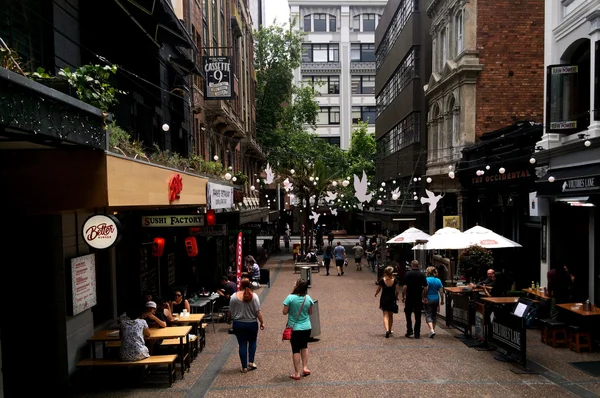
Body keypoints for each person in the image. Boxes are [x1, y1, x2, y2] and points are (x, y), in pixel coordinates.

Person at [230, 277, 265, 373]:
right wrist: (262, 322)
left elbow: (231, 312)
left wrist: (230, 319)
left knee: (242, 344)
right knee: (253, 342)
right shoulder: (254, 296)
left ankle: (244, 367)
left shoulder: (233, 297)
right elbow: (258, 312)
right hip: (252, 323)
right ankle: (251, 361)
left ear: (240, 285)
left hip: (238, 324)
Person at [283, 278, 314, 380]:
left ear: (297, 286)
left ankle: (297, 373)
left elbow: (284, 312)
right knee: (304, 346)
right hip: (306, 327)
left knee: (295, 349)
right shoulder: (308, 298)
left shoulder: (290, 298)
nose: (294, 283)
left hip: (294, 328)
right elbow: (310, 312)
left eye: (295, 283)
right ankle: (305, 367)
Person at [402, 260, 428, 339]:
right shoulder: (422, 275)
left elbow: (405, 287)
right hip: (418, 297)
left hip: (409, 297)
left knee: (408, 314)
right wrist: (424, 296)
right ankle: (417, 333)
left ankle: (409, 330)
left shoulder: (408, 274)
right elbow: (426, 287)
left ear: (411, 265)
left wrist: (403, 296)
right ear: (418, 266)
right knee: (418, 316)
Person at [374, 266, 400, 338]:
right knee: (391, 315)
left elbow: (379, 289)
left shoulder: (382, 280)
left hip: (384, 298)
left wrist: (376, 294)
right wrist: (396, 297)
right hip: (392, 299)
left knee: (385, 315)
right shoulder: (395, 280)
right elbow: (397, 291)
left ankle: (387, 330)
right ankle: (390, 329)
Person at [423, 267, 444, 338]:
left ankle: (431, 330)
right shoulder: (438, 280)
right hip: (436, 299)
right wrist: (442, 300)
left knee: (428, 314)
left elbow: (426, 289)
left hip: (429, 298)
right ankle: (433, 330)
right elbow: (441, 291)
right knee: (434, 315)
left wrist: (424, 297)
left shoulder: (426, 280)